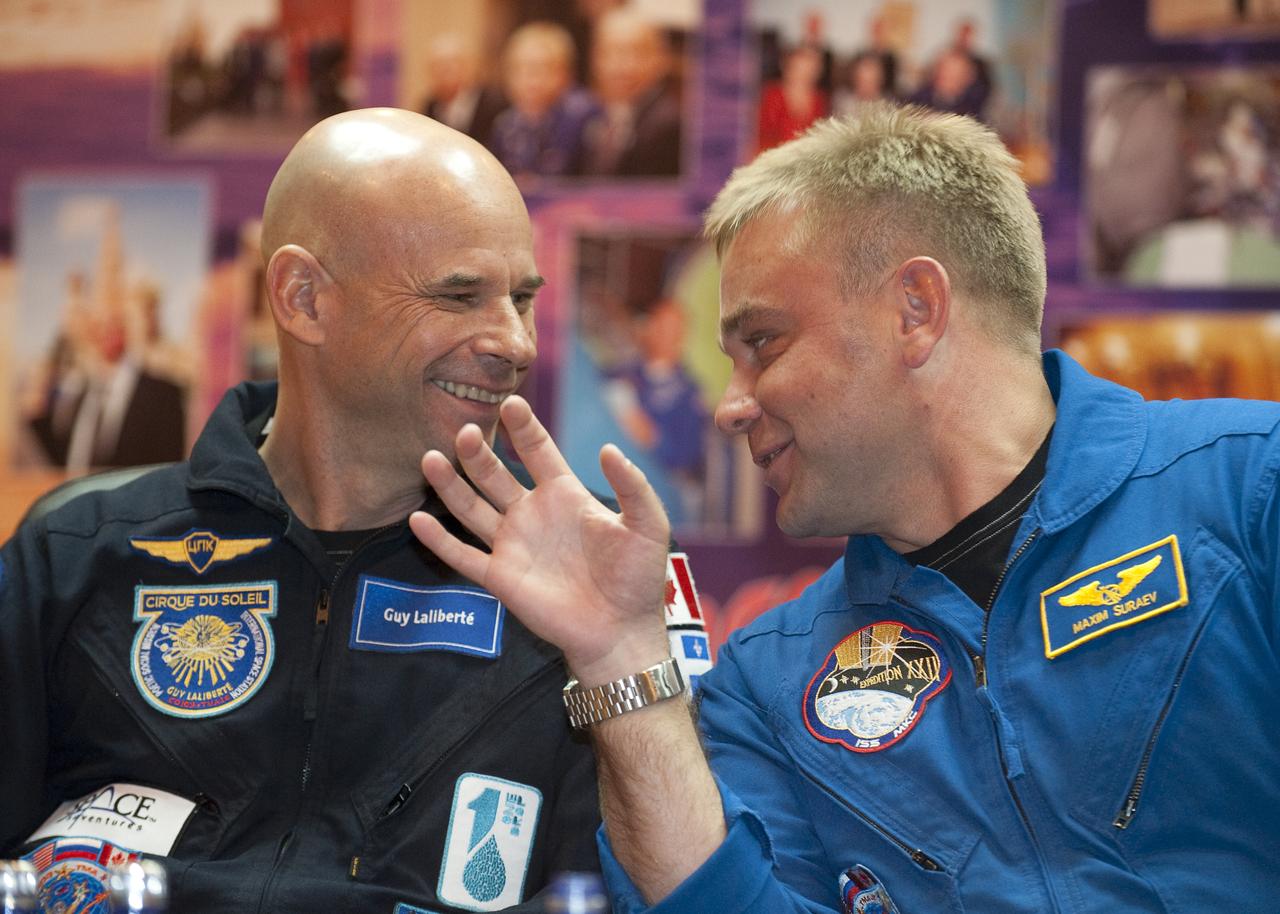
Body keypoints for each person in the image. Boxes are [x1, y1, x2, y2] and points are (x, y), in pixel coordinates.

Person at [408, 104, 1280, 912]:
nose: (731, 405)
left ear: (916, 310)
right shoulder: (770, 677)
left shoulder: (1247, 488)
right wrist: (617, 656)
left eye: (763, 343)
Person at [1, 108, 604, 913]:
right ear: (304, 298)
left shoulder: (583, 569)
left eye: (521, 298)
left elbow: (638, 892)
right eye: (460, 295)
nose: (516, 342)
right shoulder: (75, 552)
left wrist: (625, 664)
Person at [580, 9, 682, 178]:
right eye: (610, 52)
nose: (623, 65)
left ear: (662, 59)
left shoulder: (666, 125)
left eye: (637, 52)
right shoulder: (592, 114)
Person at [489, 22, 598, 179]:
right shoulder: (505, 126)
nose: (531, 80)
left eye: (542, 69)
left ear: (566, 74)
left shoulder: (584, 117)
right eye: (520, 69)